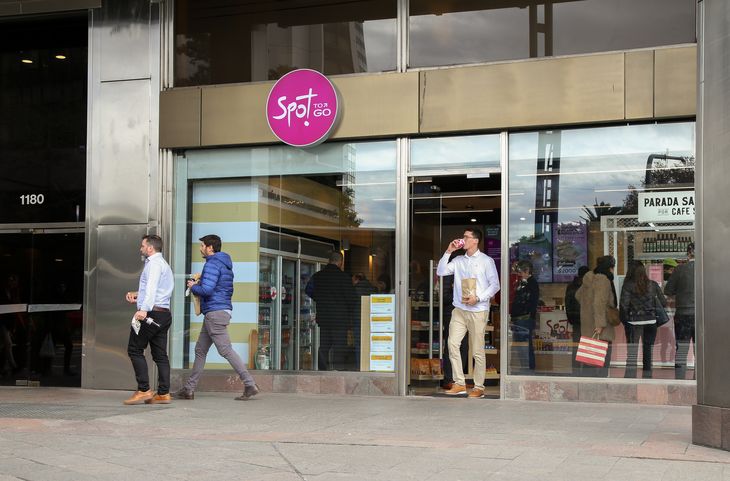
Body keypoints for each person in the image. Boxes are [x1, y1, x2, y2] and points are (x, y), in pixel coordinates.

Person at [174, 235, 259, 401]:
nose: (200, 248)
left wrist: (194, 286)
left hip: (215, 312)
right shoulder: (224, 264)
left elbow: (207, 290)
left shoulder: (212, 264)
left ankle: (250, 384)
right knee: (200, 350)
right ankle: (189, 389)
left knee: (225, 349)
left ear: (210, 248)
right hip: (217, 311)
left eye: (202, 246)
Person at [437, 228, 500, 398]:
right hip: (459, 309)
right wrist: (448, 251)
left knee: (477, 350)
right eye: (463, 236)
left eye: (466, 237)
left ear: (475, 241)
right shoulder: (458, 260)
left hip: (478, 310)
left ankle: (479, 387)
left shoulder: (486, 261)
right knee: (452, 344)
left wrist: (478, 298)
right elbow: (441, 271)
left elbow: (495, 285)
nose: (462, 239)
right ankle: (459, 383)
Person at [123, 235, 174, 405]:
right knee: (160, 355)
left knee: (135, 349)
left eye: (143, 246)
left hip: (151, 313)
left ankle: (144, 390)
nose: (141, 248)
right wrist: (138, 296)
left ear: (150, 248)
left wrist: (143, 309)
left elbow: (151, 288)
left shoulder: (153, 264)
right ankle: (164, 393)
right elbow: (157, 290)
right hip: (163, 313)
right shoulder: (163, 264)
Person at [305, 251, 358, 370]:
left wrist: (318, 298)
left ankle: (322, 371)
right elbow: (352, 299)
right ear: (340, 262)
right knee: (339, 347)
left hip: (324, 318)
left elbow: (308, 290)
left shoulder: (317, 276)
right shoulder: (344, 277)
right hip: (340, 319)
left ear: (329, 261)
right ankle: (338, 371)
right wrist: (347, 311)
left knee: (324, 346)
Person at [620, 261, 667, 379]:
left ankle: (630, 379)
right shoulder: (653, 284)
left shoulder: (627, 285)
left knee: (632, 352)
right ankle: (647, 378)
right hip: (651, 322)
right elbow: (663, 302)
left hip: (633, 322)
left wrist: (625, 321)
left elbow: (624, 306)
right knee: (648, 351)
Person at [575, 255, 617, 378]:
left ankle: (588, 382)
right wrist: (600, 324)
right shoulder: (603, 280)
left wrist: (587, 307)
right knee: (603, 357)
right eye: (613, 267)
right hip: (600, 325)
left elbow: (578, 295)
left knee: (589, 357)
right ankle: (601, 383)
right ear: (609, 268)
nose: (613, 270)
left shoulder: (588, 278)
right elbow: (599, 303)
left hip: (588, 323)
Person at [664, 242, 695, 380]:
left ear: (688, 254)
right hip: (702, 315)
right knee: (701, 350)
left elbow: (668, 290)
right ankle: (700, 381)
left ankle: (680, 381)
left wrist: (681, 292)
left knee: (682, 349)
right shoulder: (707, 269)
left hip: (683, 314)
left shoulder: (679, 270)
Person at [509, 260, 539, 373]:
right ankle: (525, 368)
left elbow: (527, 302)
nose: (518, 275)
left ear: (527, 271)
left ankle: (527, 370)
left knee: (524, 346)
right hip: (522, 318)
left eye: (520, 272)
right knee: (522, 346)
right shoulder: (525, 283)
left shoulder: (530, 284)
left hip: (524, 319)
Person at [565, 266, 589, 374]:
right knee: (587, 346)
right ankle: (586, 370)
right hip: (587, 320)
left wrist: (570, 318)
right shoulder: (588, 286)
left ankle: (575, 370)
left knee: (576, 346)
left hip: (575, 320)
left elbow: (567, 304)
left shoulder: (571, 286)